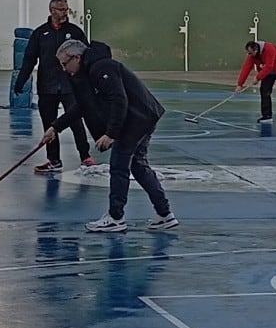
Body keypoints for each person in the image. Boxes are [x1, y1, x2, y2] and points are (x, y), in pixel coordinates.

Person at [44, 40, 179, 234]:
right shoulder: (84, 75)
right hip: (139, 117)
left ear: (77, 57)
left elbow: (119, 100)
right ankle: (165, 214)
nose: (64, 69)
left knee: (119, 164)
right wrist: (55, 128)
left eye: (65, 64)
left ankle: (116, 217)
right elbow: (83, 106)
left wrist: (110, 134)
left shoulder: (102, 67)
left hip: (138, 117)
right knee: (138, 165)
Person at [13, 0, 94, 174]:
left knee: (76, 121)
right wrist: (21, 81)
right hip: (47, 87)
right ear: (52, 11)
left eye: (66, 9)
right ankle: (53, 160)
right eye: (61, 9)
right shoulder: (40, 34)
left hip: (70, 87)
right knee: (49, 125)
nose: (65, 12)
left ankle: (85, 156)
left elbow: (87, 56)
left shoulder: (75, 32)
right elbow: (29, 60)